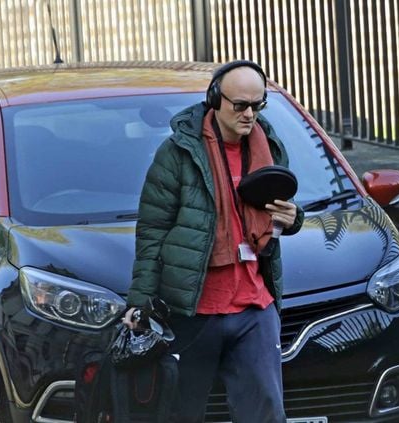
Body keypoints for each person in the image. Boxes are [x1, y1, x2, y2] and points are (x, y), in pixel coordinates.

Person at [124, 60, 304, 423]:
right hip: (195, 310)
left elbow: (279, 213)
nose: (249, 114)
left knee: (266, 413)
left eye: (258, 105)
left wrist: (294, 219)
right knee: (183, 412)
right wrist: (140, 302)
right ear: (214, 99)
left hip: (255, 304)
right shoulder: (178, 155)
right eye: (240, 105)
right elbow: (152, 231)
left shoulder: (269, 149)